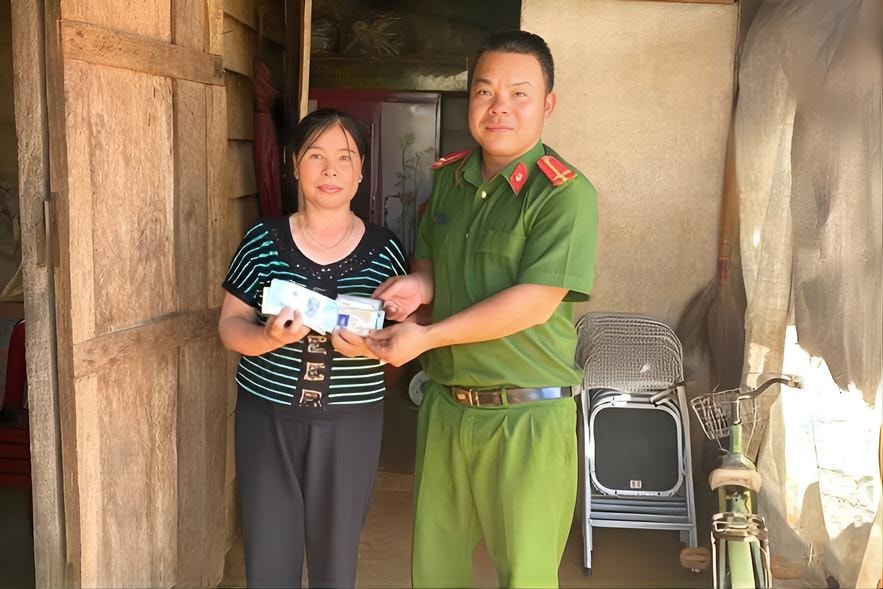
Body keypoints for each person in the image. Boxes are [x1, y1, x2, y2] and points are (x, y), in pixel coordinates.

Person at [366, 30, 599, 588]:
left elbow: (533, 303)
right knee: (436, 572)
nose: (499, 107)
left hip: (527, 417)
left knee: (525, 577)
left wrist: (425, 338)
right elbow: (434, 265)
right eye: (484, 91)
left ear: (547, 105)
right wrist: (416, 289)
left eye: (519, 94)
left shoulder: (564, 195)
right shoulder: (449, 179)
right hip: (447, 408)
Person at [218, 108, 408, 588]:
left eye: (345, 158)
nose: (330, 170)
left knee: (336, 560)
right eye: (316, 156)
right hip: (267, 419)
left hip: (351, 423)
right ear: (294, 164)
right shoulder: (262, 241)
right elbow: (230, 325)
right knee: (269, 553)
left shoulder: (386, 251)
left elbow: (400, 342)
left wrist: (365, 351)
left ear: (361, 171)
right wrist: (266, 337)